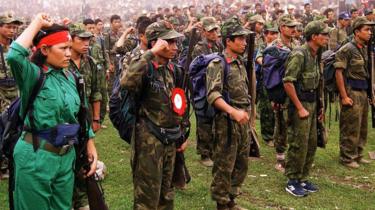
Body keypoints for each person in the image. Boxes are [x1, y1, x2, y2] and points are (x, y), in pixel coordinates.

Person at [6, 13, 97, 209]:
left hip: (66, 157)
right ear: (45, 49)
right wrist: (38, 22)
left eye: (69, 48)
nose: (68, 53)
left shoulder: (71, 77)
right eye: (63, 48)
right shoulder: (32, 74)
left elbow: (81, 114)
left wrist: (90, 144)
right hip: (36, 156)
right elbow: (14, 55)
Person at [121, 20, 188, 209]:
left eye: (176, 42)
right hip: (149, 139)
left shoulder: (172, 69)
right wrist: (150, 54)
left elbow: (178, 103)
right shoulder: (142, 64)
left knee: (166, 194)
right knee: (147, 196)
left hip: (170, 138)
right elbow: (126, 82)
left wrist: (181, 134)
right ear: (155, 43)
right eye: (170, 42)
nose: (175, 47)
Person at [206, 16, 251, 210]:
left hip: (243, 120)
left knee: (241, 163)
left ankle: (231, 199)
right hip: (227, 122)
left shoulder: (240, 63)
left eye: (244, 38)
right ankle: (221, 203)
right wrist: (233, 111)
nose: (244, 42)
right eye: (239, 38)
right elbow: (213, 94)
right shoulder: (218, 63)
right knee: (225, 165)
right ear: (228, 41)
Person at [283, 20, 329, 197]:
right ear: (314, 36)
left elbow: (318, 83)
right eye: (323, 34)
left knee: (311, 143)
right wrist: (300, 107)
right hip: (299, 105)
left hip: (312, 103)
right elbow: (288, 82)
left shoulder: (317, 54)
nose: (326, 37)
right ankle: (292, 180)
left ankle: (303, 177)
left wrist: (320, 107)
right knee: (298, 143)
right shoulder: (299, 54)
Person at [67, 22, 102, 210]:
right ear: (70, 40)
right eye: (81, 39)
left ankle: (82, 200)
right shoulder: (62, 63)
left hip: (85, 118)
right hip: (67, 118)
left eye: (88, 39)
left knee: (85, 159)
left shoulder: (91, 63)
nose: (86, 43)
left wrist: (96, 119)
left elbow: (96, 92)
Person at [334, 17, 375, 169]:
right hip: (351, 90)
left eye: (370, 30)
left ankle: (358, 154)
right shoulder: (347, 49)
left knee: (362, 125)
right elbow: (339, 72)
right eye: (366, 30)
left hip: (363, 90)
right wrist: (344, 96)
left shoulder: (364, 47)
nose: (370, 32)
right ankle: (347, 157)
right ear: (357, 32)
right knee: (350, 125)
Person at [191, 16, 222, 167]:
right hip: (202, 88)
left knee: (216, 119)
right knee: (204, 121)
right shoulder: (199, 47)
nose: (214, 32)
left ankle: (214, 150)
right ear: (204, 31)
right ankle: (204, 153)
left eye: (216, 29)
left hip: (215, 86)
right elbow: (196, 68)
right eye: (211, 30)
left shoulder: (218, 45)